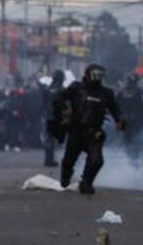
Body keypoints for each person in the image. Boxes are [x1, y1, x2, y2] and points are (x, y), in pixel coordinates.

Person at [48, 63, 125, 195]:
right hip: (76, 130)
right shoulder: (76, 88)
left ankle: (86, 183)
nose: (97, 78)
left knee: (97, 160)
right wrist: (64, 108)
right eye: (95, 75)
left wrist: (119, 121)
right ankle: (65, 177)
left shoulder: (106, 93)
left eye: (100, 76)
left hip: (93, 133)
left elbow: (115, 109)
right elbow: (58, 97)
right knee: (68, 161)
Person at [115, 74, 143, 161]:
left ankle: (127, 155)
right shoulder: (141, 93)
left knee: (123, 137)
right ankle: (132, 156)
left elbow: (114, 106)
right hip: (135, 120)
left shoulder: (121, 92)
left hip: (124, 119)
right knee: (134, 138)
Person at [42, 70, 67, 167]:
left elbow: (44, 102)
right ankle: (50, 160)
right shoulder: (62, 89)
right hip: (57, 116)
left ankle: (48, 159)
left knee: (49, 138)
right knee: (54, 139)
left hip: (48, 116)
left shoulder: (48, 89)